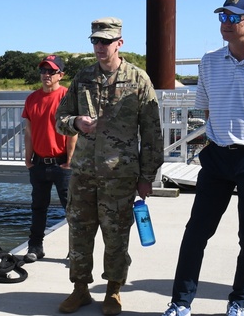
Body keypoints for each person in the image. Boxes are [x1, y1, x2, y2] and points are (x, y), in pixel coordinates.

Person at [161, 0, 244, 316]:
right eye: (223, 16)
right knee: (196, 232)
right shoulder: (209, 61)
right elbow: (204, 109)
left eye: (234, 18)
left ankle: (238, 302)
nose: (226, 23)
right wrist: (214, 141)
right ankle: (180, 302)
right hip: (217, 155)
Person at [55, 17, 164, 315]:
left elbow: (152, 132)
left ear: (120, 43)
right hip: (84, 173)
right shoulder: (83, 77)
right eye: (95, 41)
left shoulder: (138, 79)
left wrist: (148, 176)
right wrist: (76, 122)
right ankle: (80, 289)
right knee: (79, 232)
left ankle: (114, 290)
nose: (100, 47)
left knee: (116, 235)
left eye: (106, 41)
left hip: (120, 175)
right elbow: (60, 120)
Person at [22, 55, 77, 263]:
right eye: (43, 71)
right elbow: (29, 131)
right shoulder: (32, 98)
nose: (46, 75)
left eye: (51, 71)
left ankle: (75, 251)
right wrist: (28, 158)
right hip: (39, 163)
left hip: (63, 163)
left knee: (71, 209)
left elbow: (73, 131)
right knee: (38, 208)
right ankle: (35, 247)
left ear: (60, 75)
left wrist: (70, 159)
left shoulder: (67, 97)